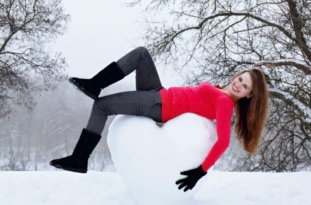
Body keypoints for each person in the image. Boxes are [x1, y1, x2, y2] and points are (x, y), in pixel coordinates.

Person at [50, 47, 269, 192]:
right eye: (241, 78)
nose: (238, 84)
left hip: (159, 105)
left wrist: (200, 172)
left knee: (102, 106)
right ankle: (95, 84)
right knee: (141, 54)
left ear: (248, 95)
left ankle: (79, 159)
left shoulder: (225, 103)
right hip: (160, 93)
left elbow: (223, 141)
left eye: (245, 86)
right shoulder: (221, 92)